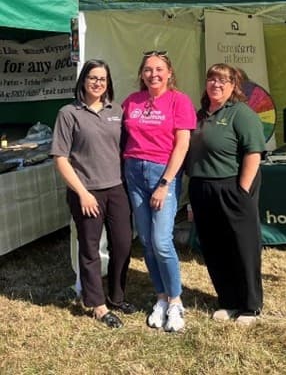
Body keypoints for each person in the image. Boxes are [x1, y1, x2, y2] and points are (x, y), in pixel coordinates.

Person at [51, 59, 135, 329]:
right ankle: (97, 305)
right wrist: (83, 193)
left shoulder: (117, 111)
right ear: (83, 80)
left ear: (108, 82)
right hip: (86, 192)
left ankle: (117, 297)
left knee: (122, 244)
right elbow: (61, 158)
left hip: (117, 188)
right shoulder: (69, 113)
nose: (98, 83)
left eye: (103, 78)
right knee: (89, 249)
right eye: (92, 77)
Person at [122, 50, 196, 332]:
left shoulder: (180, 101)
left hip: (161, 173)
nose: (153, 74)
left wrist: (165, 183)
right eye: (148, 69)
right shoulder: (132, 101)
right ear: (141, 74)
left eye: (159, 69)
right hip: (134, 172)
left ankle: (176, 301)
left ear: (169, 73)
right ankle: (161, 297)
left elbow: (182, 146)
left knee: (162, 241)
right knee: (146, 241)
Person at [187, 63, 266, 325]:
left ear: (233, 87)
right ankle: (228, 300)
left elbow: (253, 153)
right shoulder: (199, 115)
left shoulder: (241, 113)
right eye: (212, 79)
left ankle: (250, 305)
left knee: (242, 246)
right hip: (201, 188)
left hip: (231, 187)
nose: (216, 84)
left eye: (223, 81)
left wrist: (242, 191)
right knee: (214, 247)